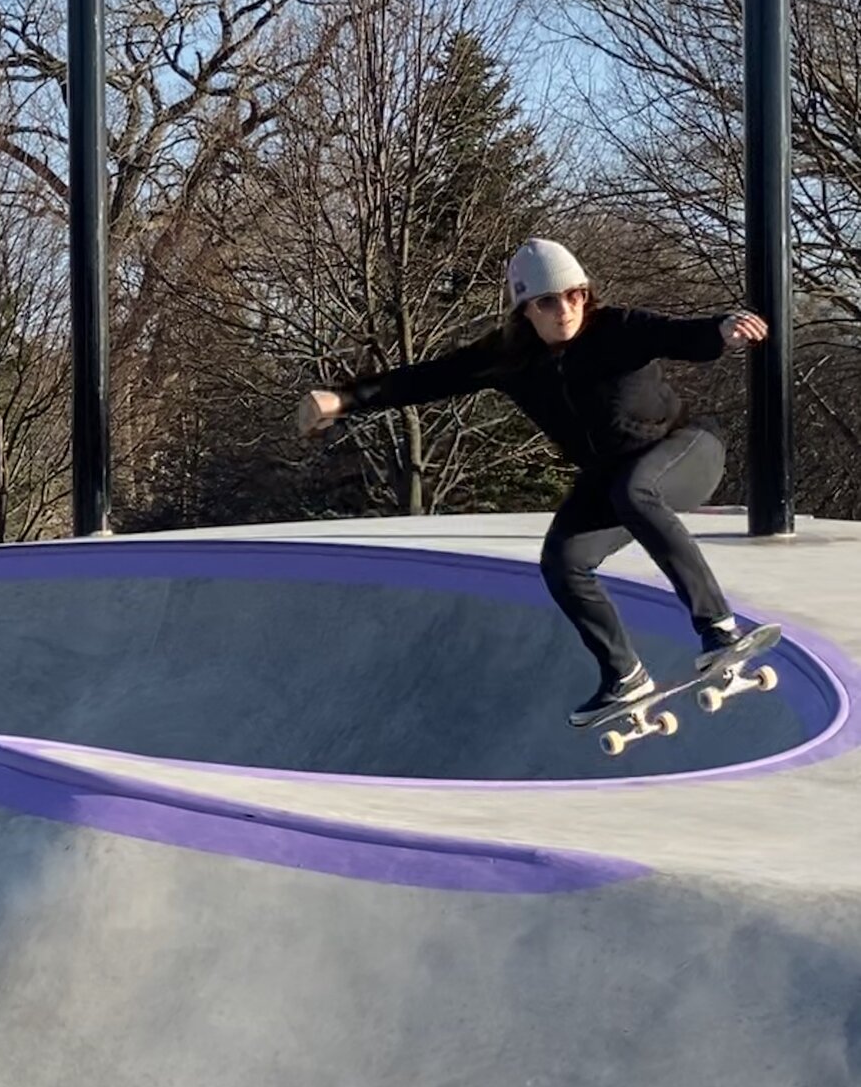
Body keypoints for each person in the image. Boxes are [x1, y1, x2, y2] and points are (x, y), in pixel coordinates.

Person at [296, 238, 770, 725]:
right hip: (613, 478)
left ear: (586, 294)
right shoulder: (510, 357)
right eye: (547, 301)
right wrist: (345, 400)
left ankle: (718, 628)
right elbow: (430, 378)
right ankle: (624, 674)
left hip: (686, 450)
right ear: (525, 310)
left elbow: (678, 335)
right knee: (563, 561)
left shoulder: (618, 329)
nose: (565, 309)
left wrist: (722, 330)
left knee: (635, 490)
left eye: (574, 296)